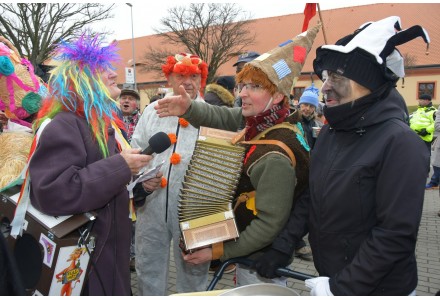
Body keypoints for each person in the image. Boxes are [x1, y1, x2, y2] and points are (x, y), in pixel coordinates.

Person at [254, 16, 430, 296]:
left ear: (368, 83)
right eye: (326, 78)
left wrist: (341, 287)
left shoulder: (400, 143)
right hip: (333, 278)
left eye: (337, 78)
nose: (324, 88)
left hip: (378, 289)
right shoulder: (331, 134)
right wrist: (282, 245)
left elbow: (395, 235)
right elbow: (311, 197)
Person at [155, 24, 320, 287]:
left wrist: (219, 253)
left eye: (254, 87)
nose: (242, 93)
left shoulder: (274, 155)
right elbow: (223, 116)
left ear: (277, 95)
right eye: (242, 85)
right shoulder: (267, 119)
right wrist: (189, 108)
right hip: (250, 256)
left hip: (260, 261)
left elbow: (269, 224)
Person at [27, 34, 159, 296]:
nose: (113, 73)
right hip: (86, 268)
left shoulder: (97, 124)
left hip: (108, 259)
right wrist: (121, 166)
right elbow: (53, 193)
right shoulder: (65, 124)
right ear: (81, 80)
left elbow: (103, 187)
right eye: (102, 69)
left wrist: (138, 185)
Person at [131, 53, 210, 295]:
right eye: (181, 75)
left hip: (193, 209)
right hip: (152, 207)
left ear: (202, 80)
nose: (187, 82)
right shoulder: (152, 111)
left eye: (194, 76)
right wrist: (144, 180)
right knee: (148, 268)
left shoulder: (211, 115)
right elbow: (136, 149)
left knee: (194, 273)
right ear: (170, 78)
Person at [410, 94, 439, 189]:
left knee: (425, 156)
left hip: (424, 137)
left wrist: (426, 130)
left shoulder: (433, 111)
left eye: (421, 100)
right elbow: (413, 121)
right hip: (413, 136)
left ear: (427, 100)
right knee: (413, 155)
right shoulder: (418, 111)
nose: (419, 101)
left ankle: (425, 173)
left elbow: (435, 124)